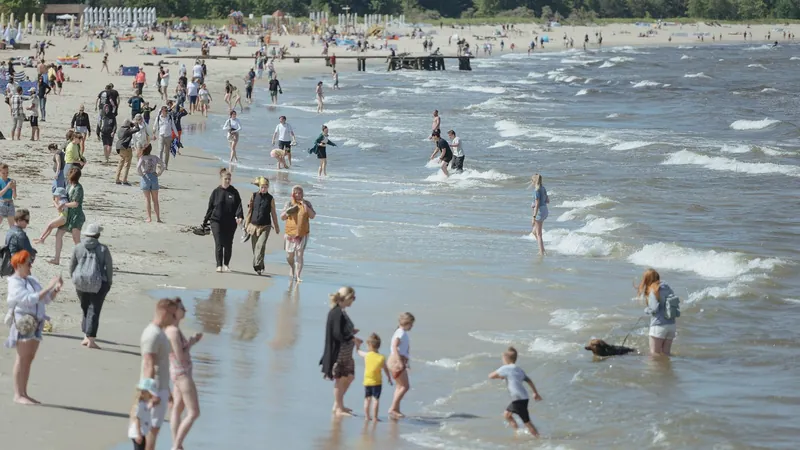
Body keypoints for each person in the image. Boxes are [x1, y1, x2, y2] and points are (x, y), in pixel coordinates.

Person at [4, 250, 63, 404]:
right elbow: (28, 299)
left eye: (31, 263)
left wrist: (55, 289)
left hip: (37, 322)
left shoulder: (31, 280)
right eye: (28, 263)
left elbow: (45, 299)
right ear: (19, 265)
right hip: (24, 322)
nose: (30, 266)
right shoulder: (14, 282)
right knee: (22, 357)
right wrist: (48, 286)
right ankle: (18, 394)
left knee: (29, 358)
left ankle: (24, 393)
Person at [140, 298, 179, 450]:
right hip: (154, 388)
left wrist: (167, 390)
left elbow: (160, 365)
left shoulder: (159, 333)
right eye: (172, 315)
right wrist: (151, 392)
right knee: (151, 429)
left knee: (154, 430)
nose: (174, 319)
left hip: (160, 387)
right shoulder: (153, 334)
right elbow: (148, 364)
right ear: (164, 313)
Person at [166, 298, 203, 450]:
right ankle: (176, 446)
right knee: (194, 412)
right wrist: (192, 342)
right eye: (182, 308)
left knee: (178, 408)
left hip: (177, 372)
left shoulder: (173, 329)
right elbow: (180, 356)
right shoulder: (173, 331)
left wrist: (191, 342)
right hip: (182, 373)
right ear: (174, 311)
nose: (185, 310)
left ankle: (177, 445)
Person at [320, 286, 362, 417]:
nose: (353, 300)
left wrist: (351, 332)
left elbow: (340, 331)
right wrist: (352, 338)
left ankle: (338, 404)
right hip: (338, 352)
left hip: (346, 353)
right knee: (340, 379)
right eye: (353, 298)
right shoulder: (336, 312)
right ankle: (339, 408)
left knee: (349, 377)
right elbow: (337, 334)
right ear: (347, 297)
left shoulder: (341, 311)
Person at [70, 223, 113, 349]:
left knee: (85, 307)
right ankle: (91, 339)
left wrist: (74, 278)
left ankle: (85, 335)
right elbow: (109, 267)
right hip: (98, 283)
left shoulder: (78, 247)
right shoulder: (103, 249)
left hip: (80, 282)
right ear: (97, 235)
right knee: (94, 309)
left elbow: (72, 265)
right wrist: (109, 282)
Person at [488, 346, 543, 437]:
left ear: (505, 358)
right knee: (507, 415)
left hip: (518, 399)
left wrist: (500, 376)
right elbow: (528, 380)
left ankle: (538, 437)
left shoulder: (506, 368)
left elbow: (491, 376)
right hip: (523, 397)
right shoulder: (519, 369)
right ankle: (517, 432)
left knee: (527, 422)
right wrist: (535, 393)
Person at [202, 169, 243, 273]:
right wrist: (205, 221)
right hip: (216, 221)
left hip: (230, 222)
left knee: (228, 244)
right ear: (221, 179)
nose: (228, 181)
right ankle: (219, 265)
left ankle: (226, 265)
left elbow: (239, 206)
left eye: (229, 179)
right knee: (219, 242)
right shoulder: (216, 192)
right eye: (226, 179)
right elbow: (210, 208)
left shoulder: (234, 192)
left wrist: (239, 216)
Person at [238, 177, 279, 275]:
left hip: (266, 226)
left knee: (260, 245)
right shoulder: (254, 196)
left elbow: (273, 213)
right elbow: (250, 211)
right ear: (259, 187)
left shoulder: (270, 199)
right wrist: (246, 224)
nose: (264, 189)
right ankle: (260, 266)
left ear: (268, 187)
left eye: (265, 187)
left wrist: (276, 226)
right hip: (253, 226)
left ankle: (256, 264)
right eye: (262, 187)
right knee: (255, 247)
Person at [49, 167, 85, 265]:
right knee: (58, 235)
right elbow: (64, 198)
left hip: (76, 216)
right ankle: (56, 259)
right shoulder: (69, 186)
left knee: (76, 239)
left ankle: (82, 261)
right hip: (68, 215)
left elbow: (76, 203)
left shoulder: (78, 188)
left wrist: (64, 205)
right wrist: (57, 203)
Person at [639, 269, 679, 356]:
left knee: (654, 355)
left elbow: (654, 308)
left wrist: (646, 310)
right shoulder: (668, 288)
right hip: (671, 325)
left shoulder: (653, 290)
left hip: (658, 326)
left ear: (647, 280)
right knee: (666, 354)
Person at [281, 185, 316, 281]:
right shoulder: (289, 203)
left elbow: (312, 216)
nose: (298, 195)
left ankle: (298, 275)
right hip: (290, 233)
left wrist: (305, 206)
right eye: (295, 193)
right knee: (289, 256)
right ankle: (292, 266)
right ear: (292, 194)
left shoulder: (307, 203)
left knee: (300, 255)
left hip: (302, 233)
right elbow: (282, 217)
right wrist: (288, 212)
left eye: (300, 193)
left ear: (302, 194)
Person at [357, 333, 393, 422]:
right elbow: (385, 369)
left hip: (367, 382)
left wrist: (357, 345)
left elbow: (358, 352)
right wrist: (389, 378)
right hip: (377, 382)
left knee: (367, 399)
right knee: (376, 400)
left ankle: (367, 417)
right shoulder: (381, 358)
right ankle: (375, 417)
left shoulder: (367, 355)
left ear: (369, 345)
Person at [387, 312, 415, 419]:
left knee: (399, 386)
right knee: (405, 386)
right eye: (411, 324)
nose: (412, 326)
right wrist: (399, 361)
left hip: (396, 360)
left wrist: (406, 363)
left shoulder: (400, 332)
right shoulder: (401, 333)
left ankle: (396, 409)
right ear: (406, 323)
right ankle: (393, 408)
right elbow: (395, 346)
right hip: (396, 360)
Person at [136, 144, 165, 223]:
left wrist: (141, 174)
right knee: (155, 200)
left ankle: (149, 218)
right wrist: (159, 173)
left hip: (146, 178)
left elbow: (138, 167)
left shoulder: (142, 158)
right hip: (154, 178)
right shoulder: (155, 157)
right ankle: (158, 218)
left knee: (147, 200)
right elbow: (163, 165)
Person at [128, 380, 154, 450]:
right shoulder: (140, 405)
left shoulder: (143, 403)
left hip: (140, 432)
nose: (151, 395)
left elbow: (145, 411)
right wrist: (138, 434)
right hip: (137, 433)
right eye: (150, 393)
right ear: (143, 393)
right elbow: (137, 419)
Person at [115, 119, 141, 186]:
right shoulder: (127, 130)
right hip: (126, 148)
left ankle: (117, 179)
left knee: (120, 163)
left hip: (119, 147)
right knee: (127, 164)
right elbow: (137, 129)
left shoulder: (120, 129)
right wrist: (136, 124)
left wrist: (131, 125)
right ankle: (124, 180)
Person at [530, 173, 549, 256]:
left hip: (539, 211)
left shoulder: (536, 190)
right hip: (545, 210)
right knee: (534, 232)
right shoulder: (543, 188)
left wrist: (533, 217)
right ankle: (542, 249)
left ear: (534, 181)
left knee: (538, 234)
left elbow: (537, 204)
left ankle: (541, 253)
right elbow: (547, 200)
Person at [0, 163, 18, 228]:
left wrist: (14, 189)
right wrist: (7, 187)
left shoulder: (11, 181)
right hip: (1, 204)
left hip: (10, 204)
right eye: (3, 173)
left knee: (12, 227)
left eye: (7, 172)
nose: (6, 174)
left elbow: (14, 197)